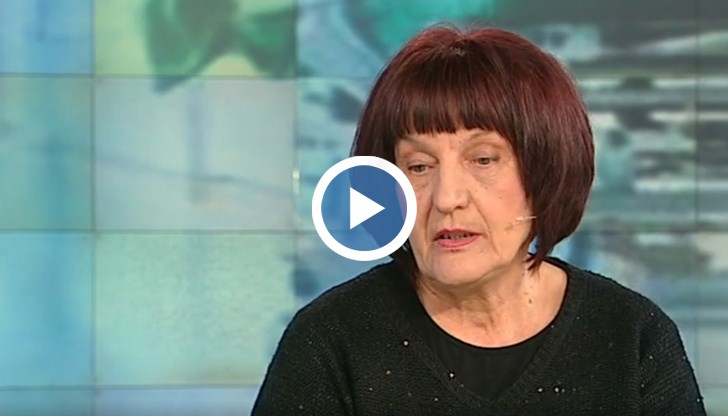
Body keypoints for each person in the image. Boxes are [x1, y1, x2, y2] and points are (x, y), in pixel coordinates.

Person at [252, 25, 706, 415]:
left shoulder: (630, 335)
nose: (447, 198)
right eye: (418, 166)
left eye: (484, 159)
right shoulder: (330, 340)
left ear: (546, 170)